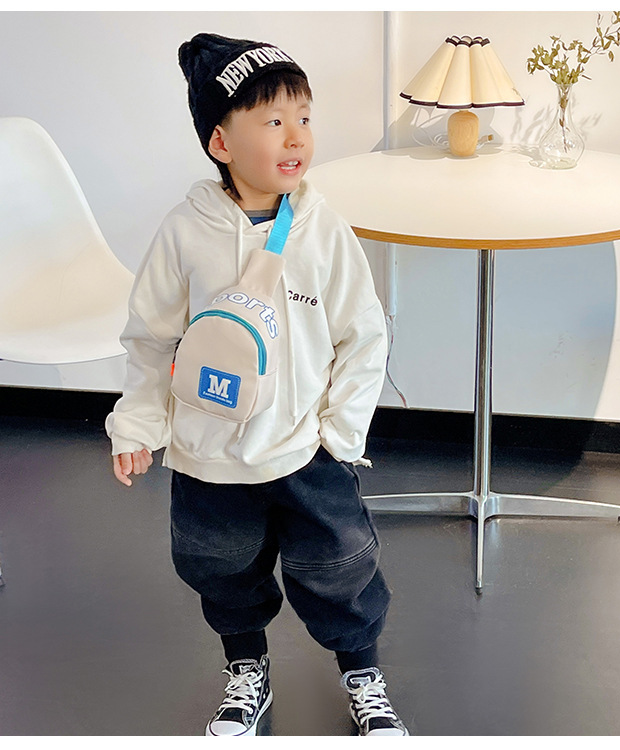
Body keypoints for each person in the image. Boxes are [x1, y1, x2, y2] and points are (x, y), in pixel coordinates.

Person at [106, 32, 408, 737]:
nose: (296, 135)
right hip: (208, 454)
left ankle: (362, 673)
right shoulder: (185, 232)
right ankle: (247, 669)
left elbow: (364, 335)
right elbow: (151, 338)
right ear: (221, 142)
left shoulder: (321, 229)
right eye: (273, 120)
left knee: (340, 567)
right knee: (221, 568)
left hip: (306, 450)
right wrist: (138, 424)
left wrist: (339, 434)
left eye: (304, 116)